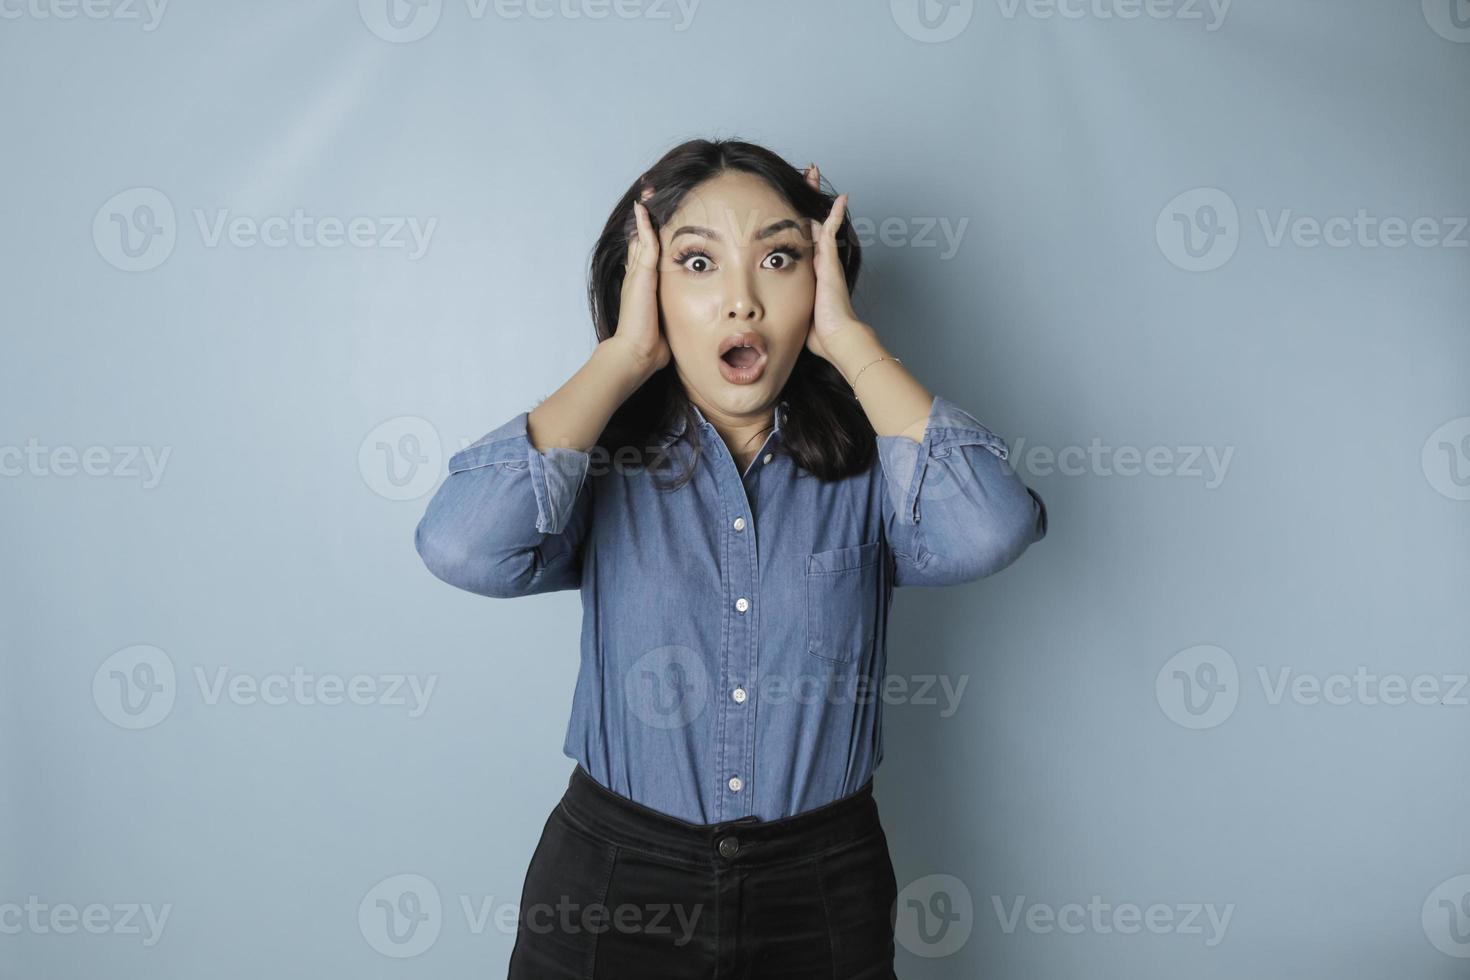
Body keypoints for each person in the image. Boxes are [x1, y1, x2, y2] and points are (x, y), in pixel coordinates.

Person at [413, 137, 1048, 979]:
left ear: (819, 279)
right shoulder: (597, 463)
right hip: (614, 883)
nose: (741, 303)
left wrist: (849, 339)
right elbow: (460, 543)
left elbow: (993, 526)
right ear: (650, 289)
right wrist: (624, 357)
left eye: (779, 258)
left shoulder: (879, 467)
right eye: (699, 264)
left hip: (824, 887)